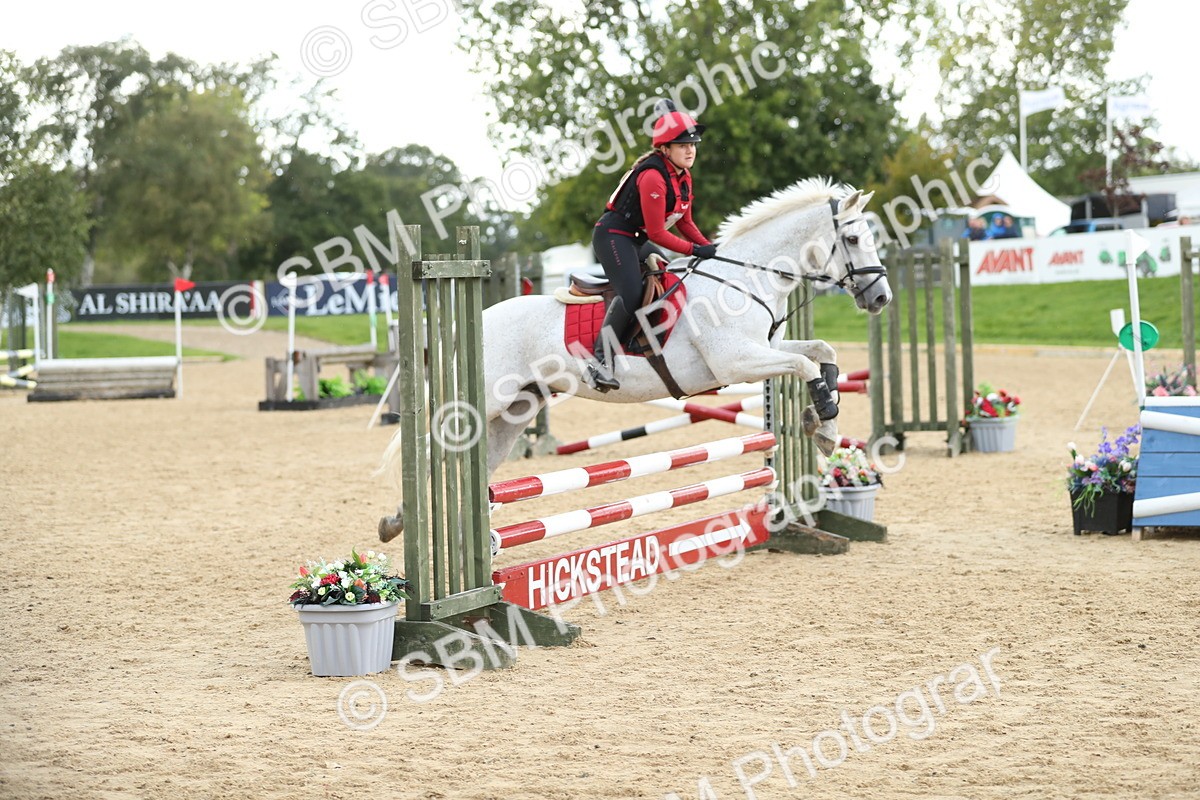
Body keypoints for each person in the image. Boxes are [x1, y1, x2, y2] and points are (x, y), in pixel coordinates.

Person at [585, 101, 717, 392]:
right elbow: (658, 232)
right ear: (665, 149)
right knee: (631, 293)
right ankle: (597, 360)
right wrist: (695, 251)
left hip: (636, 239)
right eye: (682, 144)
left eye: (693, 143)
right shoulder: (653, 177)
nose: (691, 149)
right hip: (613, 236)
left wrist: (712, 248)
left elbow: (685, 223)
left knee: (669, 279)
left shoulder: (683, 177)